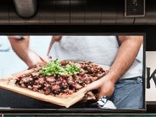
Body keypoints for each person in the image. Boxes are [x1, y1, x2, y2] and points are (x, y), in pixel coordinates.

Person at [8, 35, 145, 108]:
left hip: (123, 80)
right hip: (66, 81)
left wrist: (111, 78)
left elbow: (132, 38)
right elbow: (17, 34)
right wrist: (29, 57)